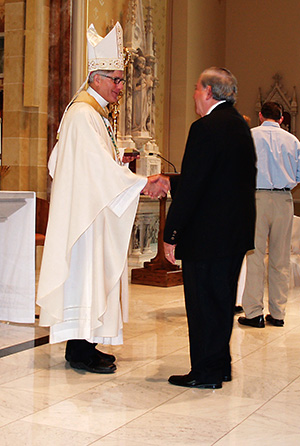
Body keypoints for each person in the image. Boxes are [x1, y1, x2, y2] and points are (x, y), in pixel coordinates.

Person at [37, 22, 169, 374]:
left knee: (94, 279)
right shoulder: (82, 114)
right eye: (117, 80)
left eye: (123, 80)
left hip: (94, 209)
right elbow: (84, 167)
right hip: (86, 217)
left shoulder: (91, 114)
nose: (121, 87)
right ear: (96, 77)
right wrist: (142, 183)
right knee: (86, 278)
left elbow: (80, 163)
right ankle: (79, 352)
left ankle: (88, 345)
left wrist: (117, 161)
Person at [163, 67, 257, 389]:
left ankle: (205, 373)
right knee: (221, 302)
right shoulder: (239, 126)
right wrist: (173, 181)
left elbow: (195, 185)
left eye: (195, 88)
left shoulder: (204, 128)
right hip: (233, 233)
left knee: (204, 305)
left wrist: (171, 232)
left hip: (206, 235)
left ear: (207, 91)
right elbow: (221, 178)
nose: (193, 94)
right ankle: (221, 366)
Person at [238, 102, 300, 328]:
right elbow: (299, 173)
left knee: (254, 257)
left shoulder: (250, 136)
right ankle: (278, 313)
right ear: (282, 118)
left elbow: (240, 167)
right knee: (280, 258)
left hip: (256, 199)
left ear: (261, 115)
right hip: (284, 199)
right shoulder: (293, 141)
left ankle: (253, 313)